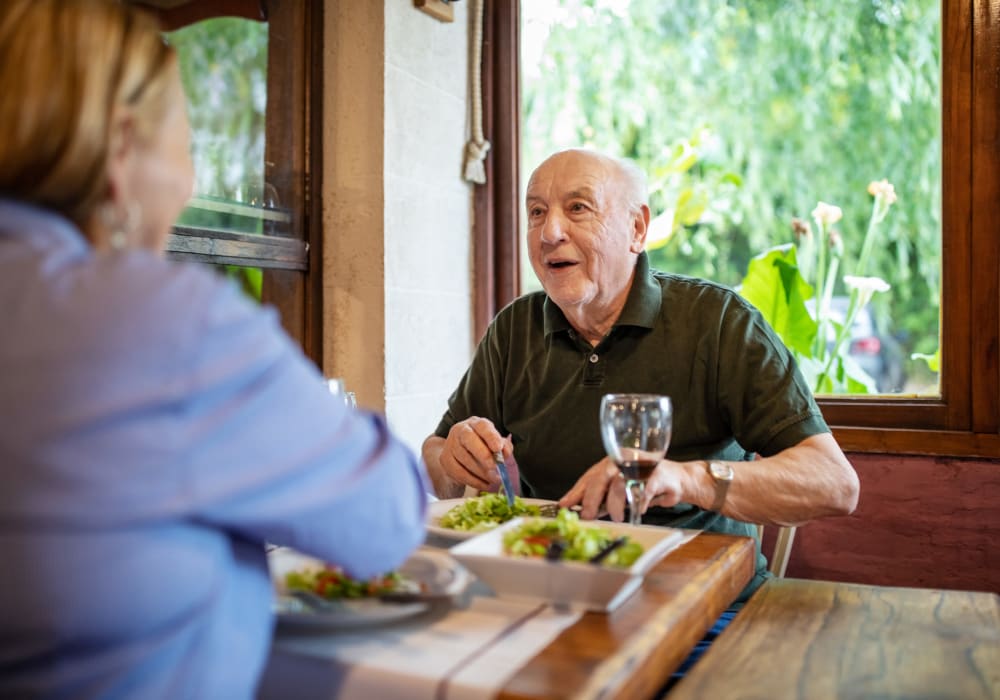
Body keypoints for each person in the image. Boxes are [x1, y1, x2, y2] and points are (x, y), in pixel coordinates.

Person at [0, 1, 427, 697]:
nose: (190, 185)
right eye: (188, 146)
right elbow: (386, 517)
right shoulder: (155, 321)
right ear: (119, 147)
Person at [422, 147, 859, 664]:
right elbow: (438, 462)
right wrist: (452, 456)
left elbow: (834, 484)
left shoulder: (719, 323)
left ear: (637, 229)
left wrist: (686, 478)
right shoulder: (513, 331)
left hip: (702, 610)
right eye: (536, 211)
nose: (549, 233)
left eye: (578, 208)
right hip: (546, 605)